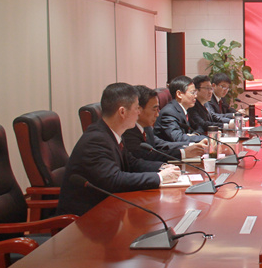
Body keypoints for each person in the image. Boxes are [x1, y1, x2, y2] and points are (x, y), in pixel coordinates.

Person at [57, 83, 181, 216]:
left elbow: (132, 163)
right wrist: (159, 177)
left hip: (108, 209)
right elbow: (114, 179)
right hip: (85, 217)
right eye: (136, 108)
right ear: (122, 112)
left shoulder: (111, 134)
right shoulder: (96, 140)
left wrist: (163, 167)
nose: (139, 112)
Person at [122, 85, 208, 161]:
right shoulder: (128, 132)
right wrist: (183, 153)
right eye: (154, 109)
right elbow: (147, 156)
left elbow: (161, 144)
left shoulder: (146, 127)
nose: (157, 114)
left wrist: (191, 145)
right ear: (139, 110)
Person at [154, 75, 206, 143]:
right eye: (192, 93)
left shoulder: (186, 109)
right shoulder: (169, 112)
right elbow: (178, 138)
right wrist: (205, 138)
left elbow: (199, 127)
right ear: (179, 94)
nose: (195, 96)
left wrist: (195, 135)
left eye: (195, 92)